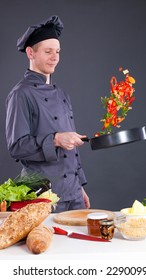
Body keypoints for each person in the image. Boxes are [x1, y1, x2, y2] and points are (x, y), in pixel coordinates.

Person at [5, 15, 90, 212]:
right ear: (30, 53)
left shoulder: (61, 94)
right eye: (48, 51)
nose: (55, 57)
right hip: (43, 195)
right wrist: (55, 139)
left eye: (58, 51)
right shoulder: (20, 94)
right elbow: (16, 147)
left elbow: (72, 149)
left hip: (73, 193)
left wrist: (80, 186)